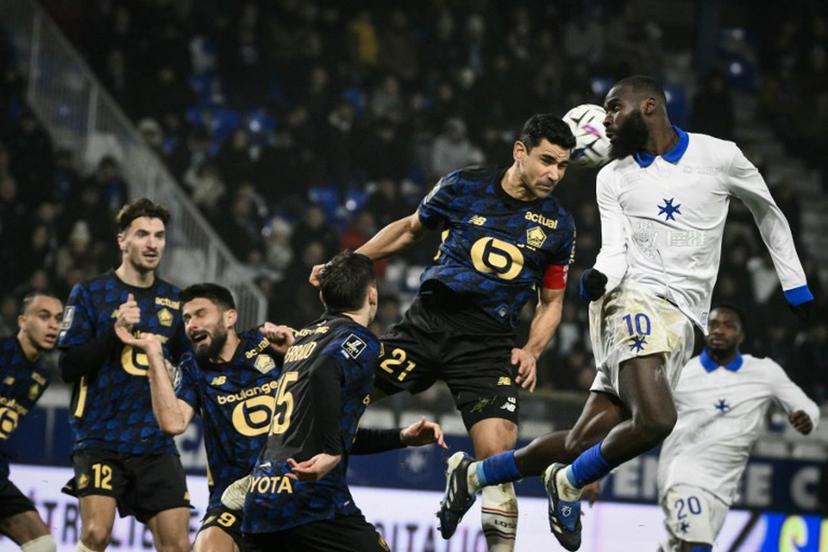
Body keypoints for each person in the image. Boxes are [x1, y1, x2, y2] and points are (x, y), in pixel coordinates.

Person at [437, 75, 816, 551]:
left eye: (615, 108)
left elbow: (768, 211)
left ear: (650, 106)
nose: (607, 120)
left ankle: (474, 475)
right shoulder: (612, 176)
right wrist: (599, 276)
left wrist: (794, 283)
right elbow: (615, 248)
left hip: (684, 320)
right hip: (631, 301)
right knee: (657, 420)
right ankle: (568, 483)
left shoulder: (719, 156)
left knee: (580, 443)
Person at [310, 113, 577, 550]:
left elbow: (552, 302)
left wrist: (532, 349)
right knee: (331, 398)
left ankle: (470, 487)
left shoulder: (559, 226)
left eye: (563, 166)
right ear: (520, 151)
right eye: (547, 160)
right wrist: (348, 262)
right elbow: (410, 229)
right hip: (426, 326)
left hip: (487, 347)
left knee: (499, 464)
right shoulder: (464, 185)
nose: (555, 174)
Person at [116, 282, 446, 552]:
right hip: (235, 499)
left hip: (293, 490)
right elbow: (173, 423)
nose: (192, 325)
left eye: (200, 314)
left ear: (230, 317)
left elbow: (326, 428)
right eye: (187, 318)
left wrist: (295, 351)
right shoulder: (193, 371)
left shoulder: (267, 346)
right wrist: (154, 357)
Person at [57, 198, 191, 552]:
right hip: (100, 438)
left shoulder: (175, 301)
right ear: (122, 241)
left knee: (178, 545)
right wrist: (113, 334)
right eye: (142, 234)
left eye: (159, 236)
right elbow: (68, 367)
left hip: (155, 443)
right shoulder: (90, 293)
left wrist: (180, 386)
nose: (152, 243)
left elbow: (190, 367)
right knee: (95, 534)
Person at [237, 251, 392, 551]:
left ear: (323, 297)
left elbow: (319, 417)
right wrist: (332, 452)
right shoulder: (359, 339)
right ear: (372, 295)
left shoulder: (304, 338)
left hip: (261, 499)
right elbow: (325, 371)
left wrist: (402, 437)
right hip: (310, 500)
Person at [657, 305, 819, 552]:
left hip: (724, 487)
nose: (719, 330)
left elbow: (807, 407)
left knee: (678, 547)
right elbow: (641, 416)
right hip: (681, 475)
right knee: (698, 546)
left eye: (728, 326)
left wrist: (807, 419)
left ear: (741, 336)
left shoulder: (764, 372)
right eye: (713, 324)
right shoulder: (681, 373)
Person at [0, 293, 63, 552]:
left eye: (58, 319)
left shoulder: (41, 375)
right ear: (23, 321)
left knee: (43, 545)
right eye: (44, 316)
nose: (53, 325)